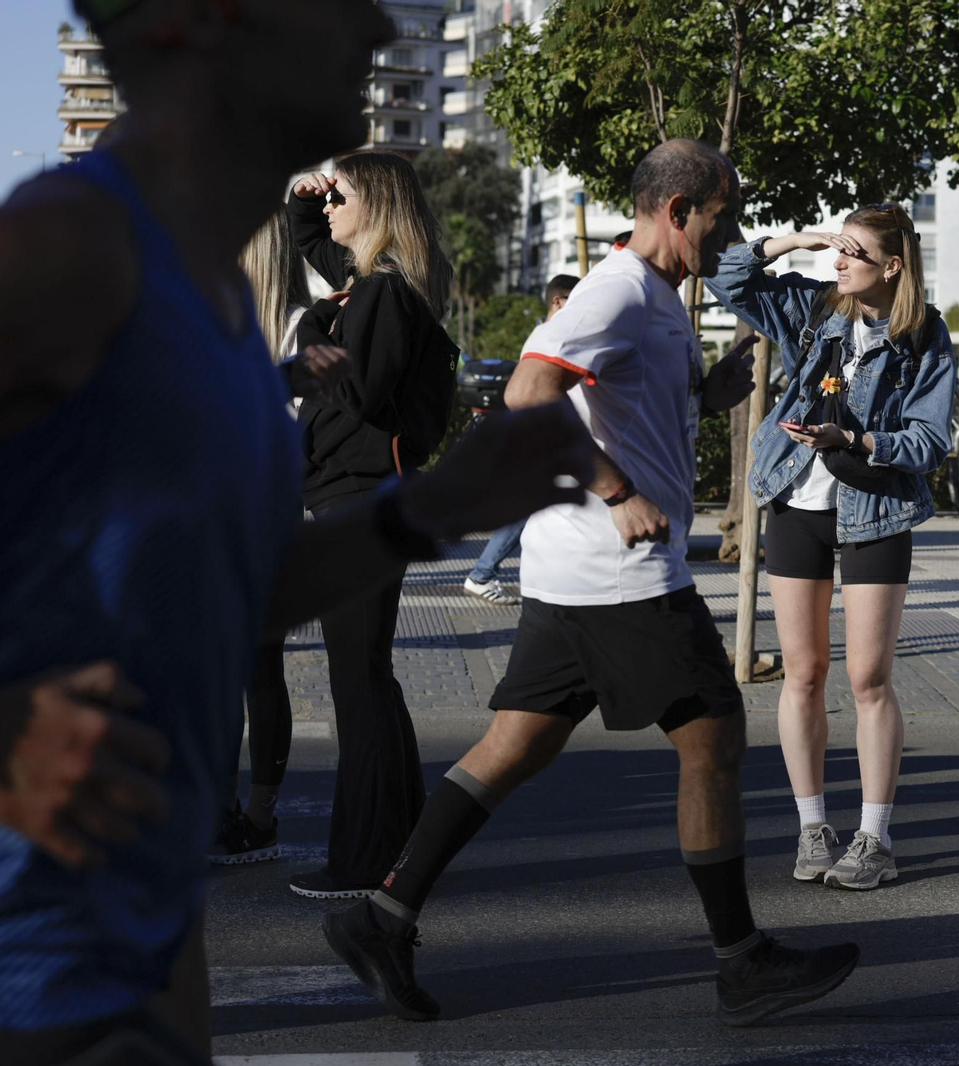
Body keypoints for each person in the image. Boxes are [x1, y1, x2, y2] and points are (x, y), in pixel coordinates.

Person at [0, 1, 594, 1061]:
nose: (370, 22)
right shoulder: (64, 251)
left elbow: (227, 591)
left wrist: (436, 507)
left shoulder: (211, 290)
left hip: (139, 957)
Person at [323, 139, 860, 1027]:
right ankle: (741, 962)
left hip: (573, 570)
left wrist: (712, 391)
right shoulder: (616, 290)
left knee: (514, 747)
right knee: (713, 738)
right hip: (619, 570)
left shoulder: (655, 298)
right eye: (719, 217)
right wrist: (617, 492)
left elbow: (623, 403)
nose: (725, 236)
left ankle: (382, 917)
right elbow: (532, 393)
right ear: (677, 210)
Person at [704, 205, 955, 890]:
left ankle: (874, 837)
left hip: (875, 509)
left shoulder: (923, 335)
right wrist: (796, 238)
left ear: (893, 266)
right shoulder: (814, 310)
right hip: (794, 501)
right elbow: (723, 276)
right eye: (835, 250)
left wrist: (860, 441)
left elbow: (931, 440)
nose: (837, 262)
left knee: (867, 680)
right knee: (802, 674)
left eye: (852, 252)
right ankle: (813, 827)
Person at [286, 152, 461, 900]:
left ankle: (363, 863)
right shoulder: (375, 283)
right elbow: (310, 241)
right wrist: (308, 195)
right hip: (356, 498)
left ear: (380, 206)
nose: (331, 210)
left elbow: (358, 390)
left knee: (357, 685)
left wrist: (315, 330)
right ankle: (396, 845)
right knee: (367, 680)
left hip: (361, 500)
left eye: (343, 198)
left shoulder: (385, 293)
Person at [209, 204, 318, 867]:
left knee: (258, 671)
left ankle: (259, 813)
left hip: (268, 518)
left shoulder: (300, 329)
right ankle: (221, 807)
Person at [464, 273, 581, 607]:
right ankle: (482, 574)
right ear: (557, 301)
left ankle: (488, 574)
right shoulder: (548, 336)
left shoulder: (544, 334)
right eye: (575, 301)